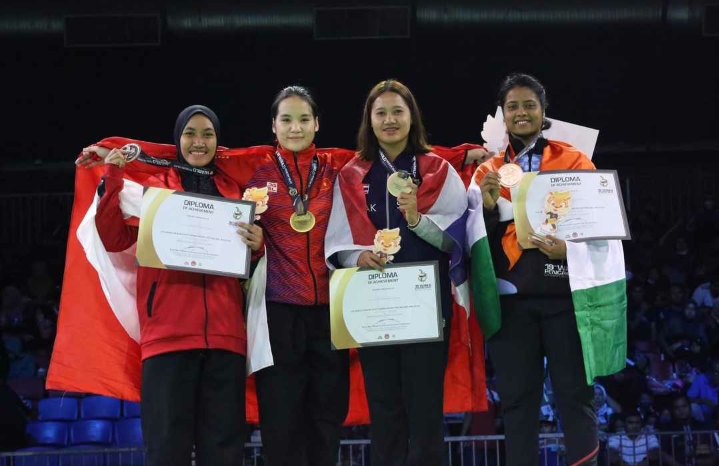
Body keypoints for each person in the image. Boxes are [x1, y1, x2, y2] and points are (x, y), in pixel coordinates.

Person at [67, 86, 489, 466]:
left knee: (326, 422)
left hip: (330, 316)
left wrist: (462, 154)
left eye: (304, 119)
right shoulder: (254, 165)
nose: (295, 127)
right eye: (286, 119)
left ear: (317, 123)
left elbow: (394, 149)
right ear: (273, 126)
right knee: (281, 428)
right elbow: (186, 149)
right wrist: (114, 150)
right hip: (277, 316)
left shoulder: (339, 165)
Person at [470, 73, 627, 465]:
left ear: (544, 112)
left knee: (576, 396)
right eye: (512, 106)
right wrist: (486, 208)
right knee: (517, 401)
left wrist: (567, 249)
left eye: (529, 105)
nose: (521, 113)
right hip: (510, 301)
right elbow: (470, 240)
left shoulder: (574, 160)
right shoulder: (487, 171)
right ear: (503, 114)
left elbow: (599, 224)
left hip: (565, 297)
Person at [94, 105, 263, 466]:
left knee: (224, 452)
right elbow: (113, 238)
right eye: (190, 133)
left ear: (218, 141)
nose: (199, 142)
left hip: (225, 339)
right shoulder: (153, 190)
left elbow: (251, 258)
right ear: (177, 139)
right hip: (168, 338)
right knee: (167, 451)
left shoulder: (235, 192)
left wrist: (258, 243)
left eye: (208, 134)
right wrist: (112, 174)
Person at [325, 79, 467, 465]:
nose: (389, 120)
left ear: (412, 117)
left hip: (425, 306)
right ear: (369, 121)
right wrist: (357, 257)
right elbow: (336, 239)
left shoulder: (437, 169)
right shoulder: (352, 174)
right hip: (374, 305)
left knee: (425, 411)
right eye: (381, 113)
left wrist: (417, 220)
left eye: (397, 112)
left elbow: (457, 240)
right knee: (384, 409)